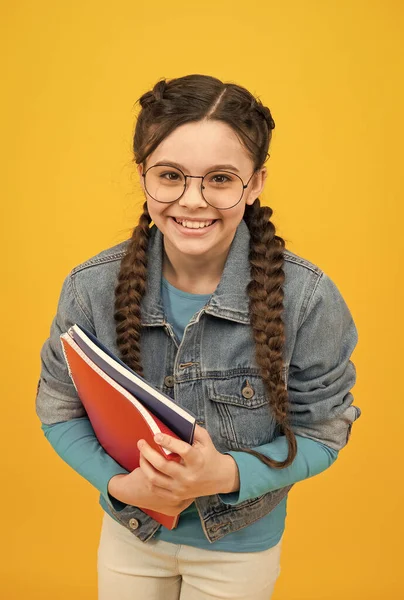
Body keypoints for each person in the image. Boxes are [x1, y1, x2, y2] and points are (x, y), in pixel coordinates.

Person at [36, 73, 361, 600]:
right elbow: (59, 408)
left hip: (241, 547)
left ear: (254, 183)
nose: (192, 200)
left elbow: (324, 432)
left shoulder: (307, 298)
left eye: (220, 178)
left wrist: (227, 474)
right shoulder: (89, 289)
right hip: (131, 536)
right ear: (143, 176)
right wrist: (122, 486)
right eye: (171, 176)